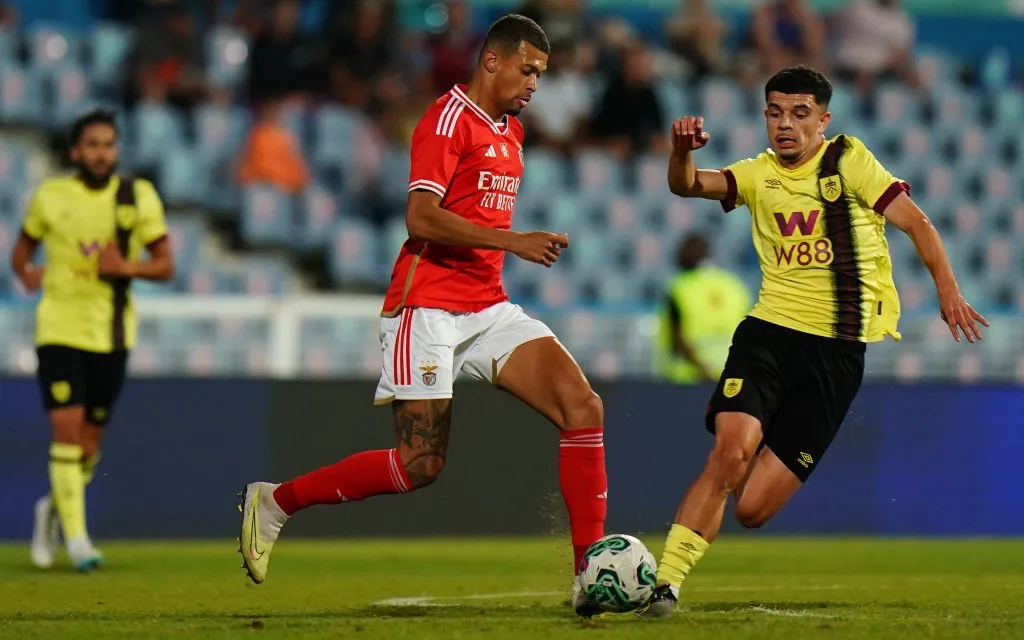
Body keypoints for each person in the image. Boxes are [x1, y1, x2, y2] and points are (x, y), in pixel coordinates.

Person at [238, 15, 608, 617]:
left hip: (487, 306)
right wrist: (512, 241)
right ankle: (275, 502)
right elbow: (421, 217)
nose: (536, 83)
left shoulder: (510, 131)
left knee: (583, 406)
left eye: (542, 73)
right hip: (427, 306)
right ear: (493, 61)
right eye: (529, 69)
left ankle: (588, 575)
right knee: (420, 465)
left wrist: (500, 251)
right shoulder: (446, 120)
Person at [642, 65, 988, 616]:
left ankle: (697, 538)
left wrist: (948, 292)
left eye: (800, 114)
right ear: (764, 116)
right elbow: (687, 184)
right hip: (768, 336)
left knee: (753, 509)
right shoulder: (756, 175)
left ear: (823, 120)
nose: (786, 124)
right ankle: (666, 585)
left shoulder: (847, 160)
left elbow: (918, 224)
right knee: (730, 454)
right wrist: (680, 151)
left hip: (836, 355)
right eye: (775, 113)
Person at [12, 109, 174, 572]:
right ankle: (79, 540)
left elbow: (165, 265)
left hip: (112, 331)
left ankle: (52, 510)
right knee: (66, 427)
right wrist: (26, 274)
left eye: (109, 144)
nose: (101, 152)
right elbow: (21, 251)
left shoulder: (136, 197)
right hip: (59, 328)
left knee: (88, 443)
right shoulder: (51, 197)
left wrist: (128, 268)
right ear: (75, 151)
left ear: (116, 150)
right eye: (93, 144)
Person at [654, 233, 751, 384]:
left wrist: (704, 371)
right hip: (730, 379)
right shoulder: (734, 286)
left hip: (687, 380)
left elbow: (677, 340)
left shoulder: (679, 288)